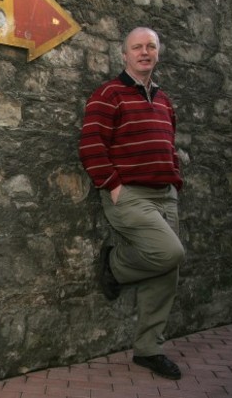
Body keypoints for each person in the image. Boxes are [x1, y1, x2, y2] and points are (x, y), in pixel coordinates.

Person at [78, 27, 185, 380]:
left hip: (164, 193)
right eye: (137, 47)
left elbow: (169, 145)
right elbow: (91, 143)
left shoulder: (165, 100)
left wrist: (175, 179)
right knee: (170, 253)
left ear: (157, 53)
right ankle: (114, 263)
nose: (144, 52)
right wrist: (112, 185)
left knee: (165, 273)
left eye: (150, 46)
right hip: (130, 195)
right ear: (124, 54)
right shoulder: (108, 94)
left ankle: (149, 350)